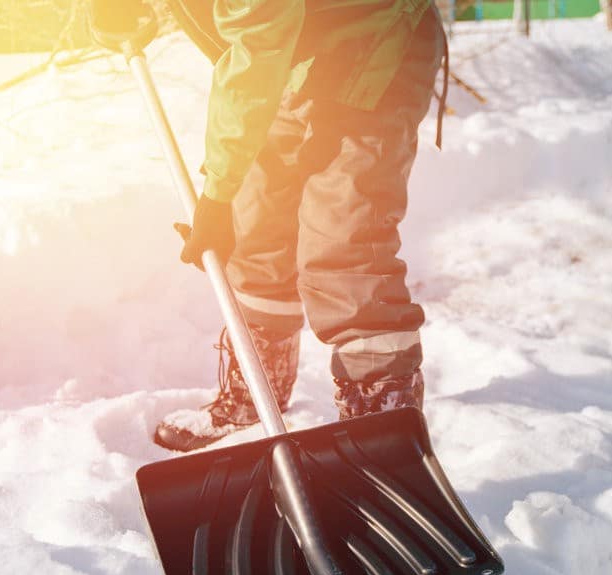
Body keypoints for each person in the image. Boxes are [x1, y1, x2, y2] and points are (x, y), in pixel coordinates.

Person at [89, 0, 448, 451]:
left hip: (373, 37)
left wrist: (217, 194)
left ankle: (381, 426)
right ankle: (255, 398)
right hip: (296, 46)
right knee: (258, 225)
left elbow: (259, 41)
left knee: (344, 239)